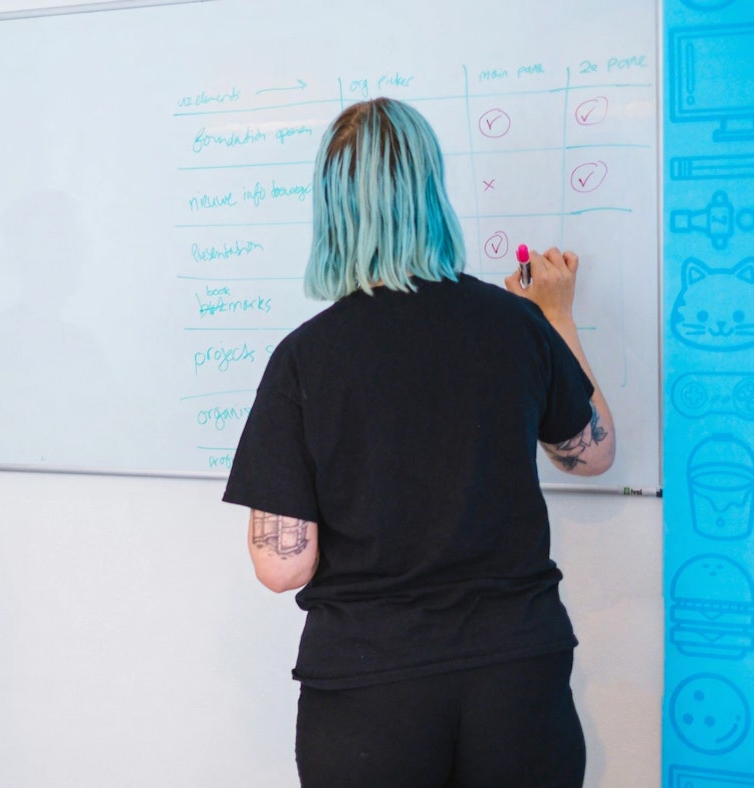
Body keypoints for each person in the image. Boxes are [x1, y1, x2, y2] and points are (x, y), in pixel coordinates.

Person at [222, 98, 615, 787]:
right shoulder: (517, 327)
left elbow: (282, 568)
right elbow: (591, 452)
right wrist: (556, 316)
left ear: (330, 208)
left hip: (371, 687)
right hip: (518, 669)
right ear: (432, 192)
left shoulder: (304, 360)